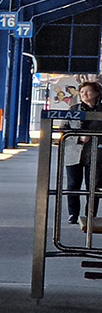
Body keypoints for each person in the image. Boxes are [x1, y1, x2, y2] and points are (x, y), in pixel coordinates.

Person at [63, 80, 99, 223]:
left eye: (88, 91)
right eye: (82, 92)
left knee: (93, 185)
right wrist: (78, 138)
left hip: (96, 153)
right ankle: (73, 214)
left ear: (96, 93)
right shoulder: (73, 109)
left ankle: (90, 214)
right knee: (73, 184)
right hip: (74, 152)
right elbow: (64, 129)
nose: (84, 94)